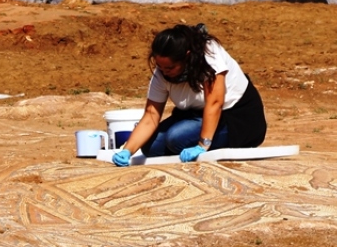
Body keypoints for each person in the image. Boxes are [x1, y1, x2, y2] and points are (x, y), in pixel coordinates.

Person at [111, 23, 266, 166]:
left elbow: (215, 103)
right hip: (194, 116)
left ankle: (206, 143)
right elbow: (151, 115)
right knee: (151, 146)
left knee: (176, 138)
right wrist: (128, 150)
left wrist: (202, 145)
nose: (164, 72)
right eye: (160, 66)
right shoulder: (162, 73)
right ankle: (184, 145)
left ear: (187, 56)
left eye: (170, 68)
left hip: (236, 119)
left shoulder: (209, 56)